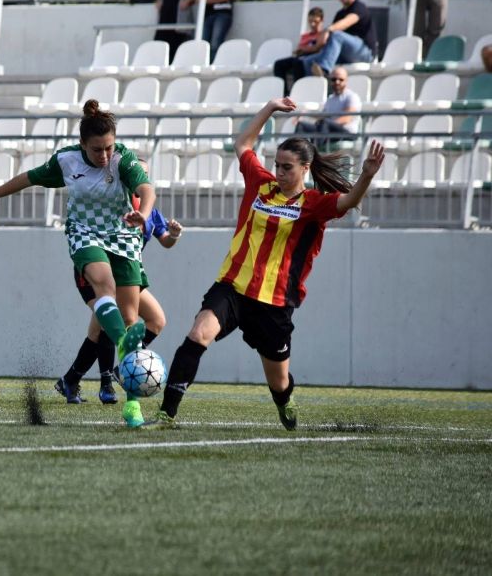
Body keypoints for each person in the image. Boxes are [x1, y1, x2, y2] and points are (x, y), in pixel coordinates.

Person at [149, 97, 386, 431]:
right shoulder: (261, 185)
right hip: (232, 288)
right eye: (277, 165)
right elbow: (243, 143)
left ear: (305, 168)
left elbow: (350, 200)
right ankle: (166, 414)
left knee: (278, 380)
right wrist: (270, 108)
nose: (279, 172)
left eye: (287, 167)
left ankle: (285, 399)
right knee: (198, 334)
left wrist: (366, 176)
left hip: (274, 304)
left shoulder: (314, 204)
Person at [0, 100, 155, 428]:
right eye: (97, 150)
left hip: (123, 237)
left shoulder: (122, 159)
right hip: (85, 234)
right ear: (83, 145)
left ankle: (132, 403)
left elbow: (146, 188)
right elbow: (30, 177)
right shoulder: (67, 160)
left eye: (109, 147)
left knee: (128, 317)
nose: (105, 156)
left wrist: (145, 213)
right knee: (104, 286)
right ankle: (123, 353)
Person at [57, 194, 183, 405]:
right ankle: (105, 383)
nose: (139, 186)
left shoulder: (151, 213)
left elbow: (166, 241)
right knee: (105, 324)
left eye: (143, 179)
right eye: (135, 180)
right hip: (96, 275)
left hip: (126, 276)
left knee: (156, 320)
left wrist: (175, 235)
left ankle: (80, 377)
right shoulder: (111, 204)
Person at [298, 0, 376, 78]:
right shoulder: (339, 14)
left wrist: (328, 30)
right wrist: (307, 49)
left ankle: (324, 71)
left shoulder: (359, 7)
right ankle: (316, 88)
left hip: (364, 53)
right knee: (308, 61)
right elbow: (328, 42)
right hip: (345, 54)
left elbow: (347, 21)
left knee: (337, 35)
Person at [294, 66, 361, 145]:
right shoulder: (330, 99)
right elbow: (323, 116)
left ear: (346, 81)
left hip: (348, 133)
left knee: (324, 124)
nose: (337, 82)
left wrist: (325, 124)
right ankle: (297, 153)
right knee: (302, 125)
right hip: (330, 130)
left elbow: (346, 118)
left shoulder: (351, 96)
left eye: (341, 79)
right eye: (334, 79)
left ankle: (316, 153)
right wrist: (306, 114)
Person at [274, 7, 327, 95]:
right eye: (310, 21)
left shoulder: (323, 35)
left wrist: (306, 49)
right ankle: (283, 93)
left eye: (315, 22)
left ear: (322, 20)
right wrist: (304, 50)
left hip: (312, 58)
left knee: (297, 63)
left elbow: (318, 48)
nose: (313, 24)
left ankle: (298, 91)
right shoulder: (305, 36)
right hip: (301, 57)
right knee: (279, 64)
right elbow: (300, 48)